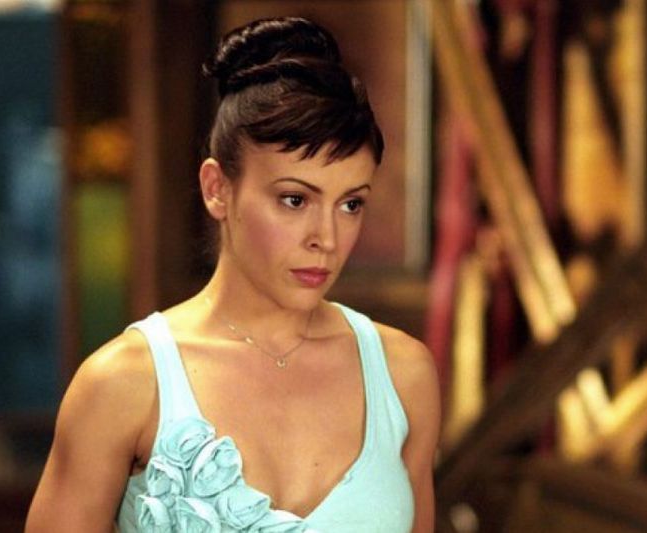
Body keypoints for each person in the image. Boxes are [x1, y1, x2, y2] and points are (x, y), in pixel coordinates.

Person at [26, 16, 440, 533]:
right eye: (295, 199)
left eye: (350, 204)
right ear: (217, 189)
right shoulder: (123, 384)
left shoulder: (402, 377)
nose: (327, 238)